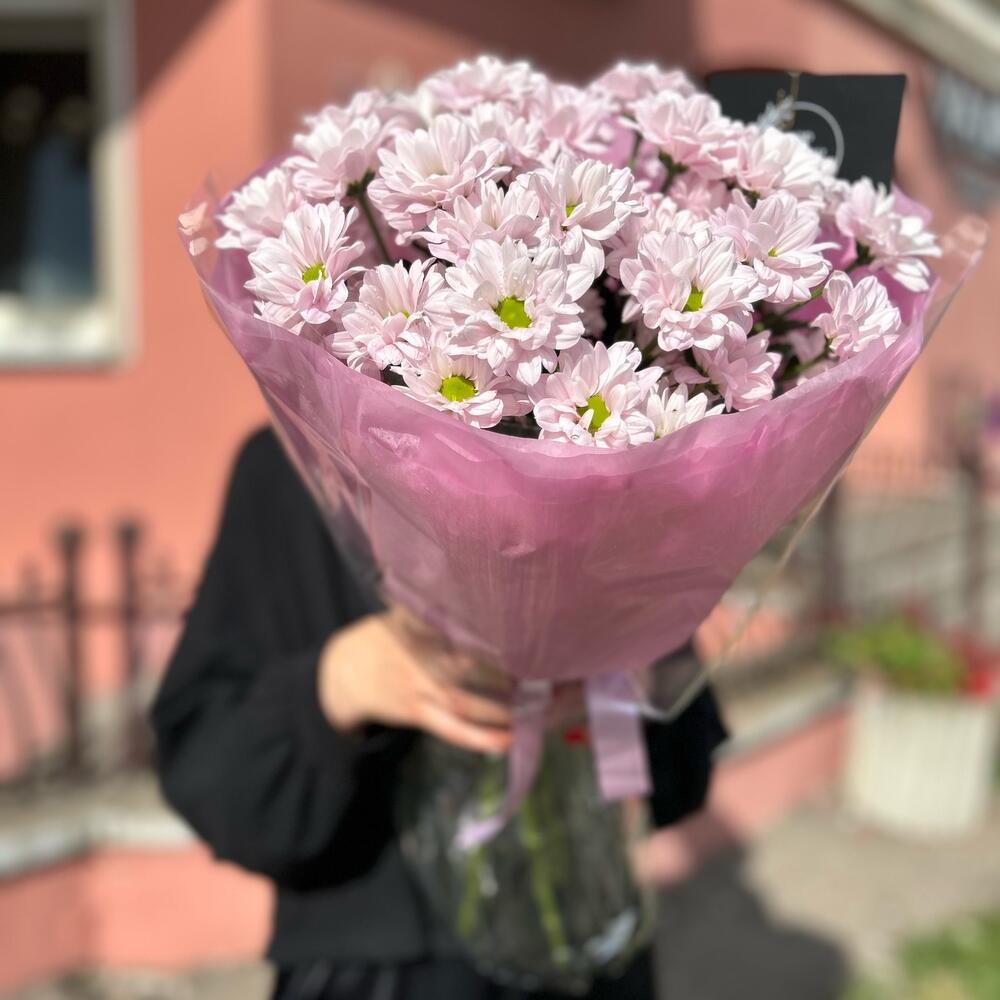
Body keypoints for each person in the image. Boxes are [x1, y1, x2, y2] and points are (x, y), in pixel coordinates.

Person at [151, 428, 728, 1000]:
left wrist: (627, 650)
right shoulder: (294, 458)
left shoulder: (604, 454)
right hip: (380, 967)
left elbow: (681, 769)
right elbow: (213, 774)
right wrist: (340, 681)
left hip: (593, 939)